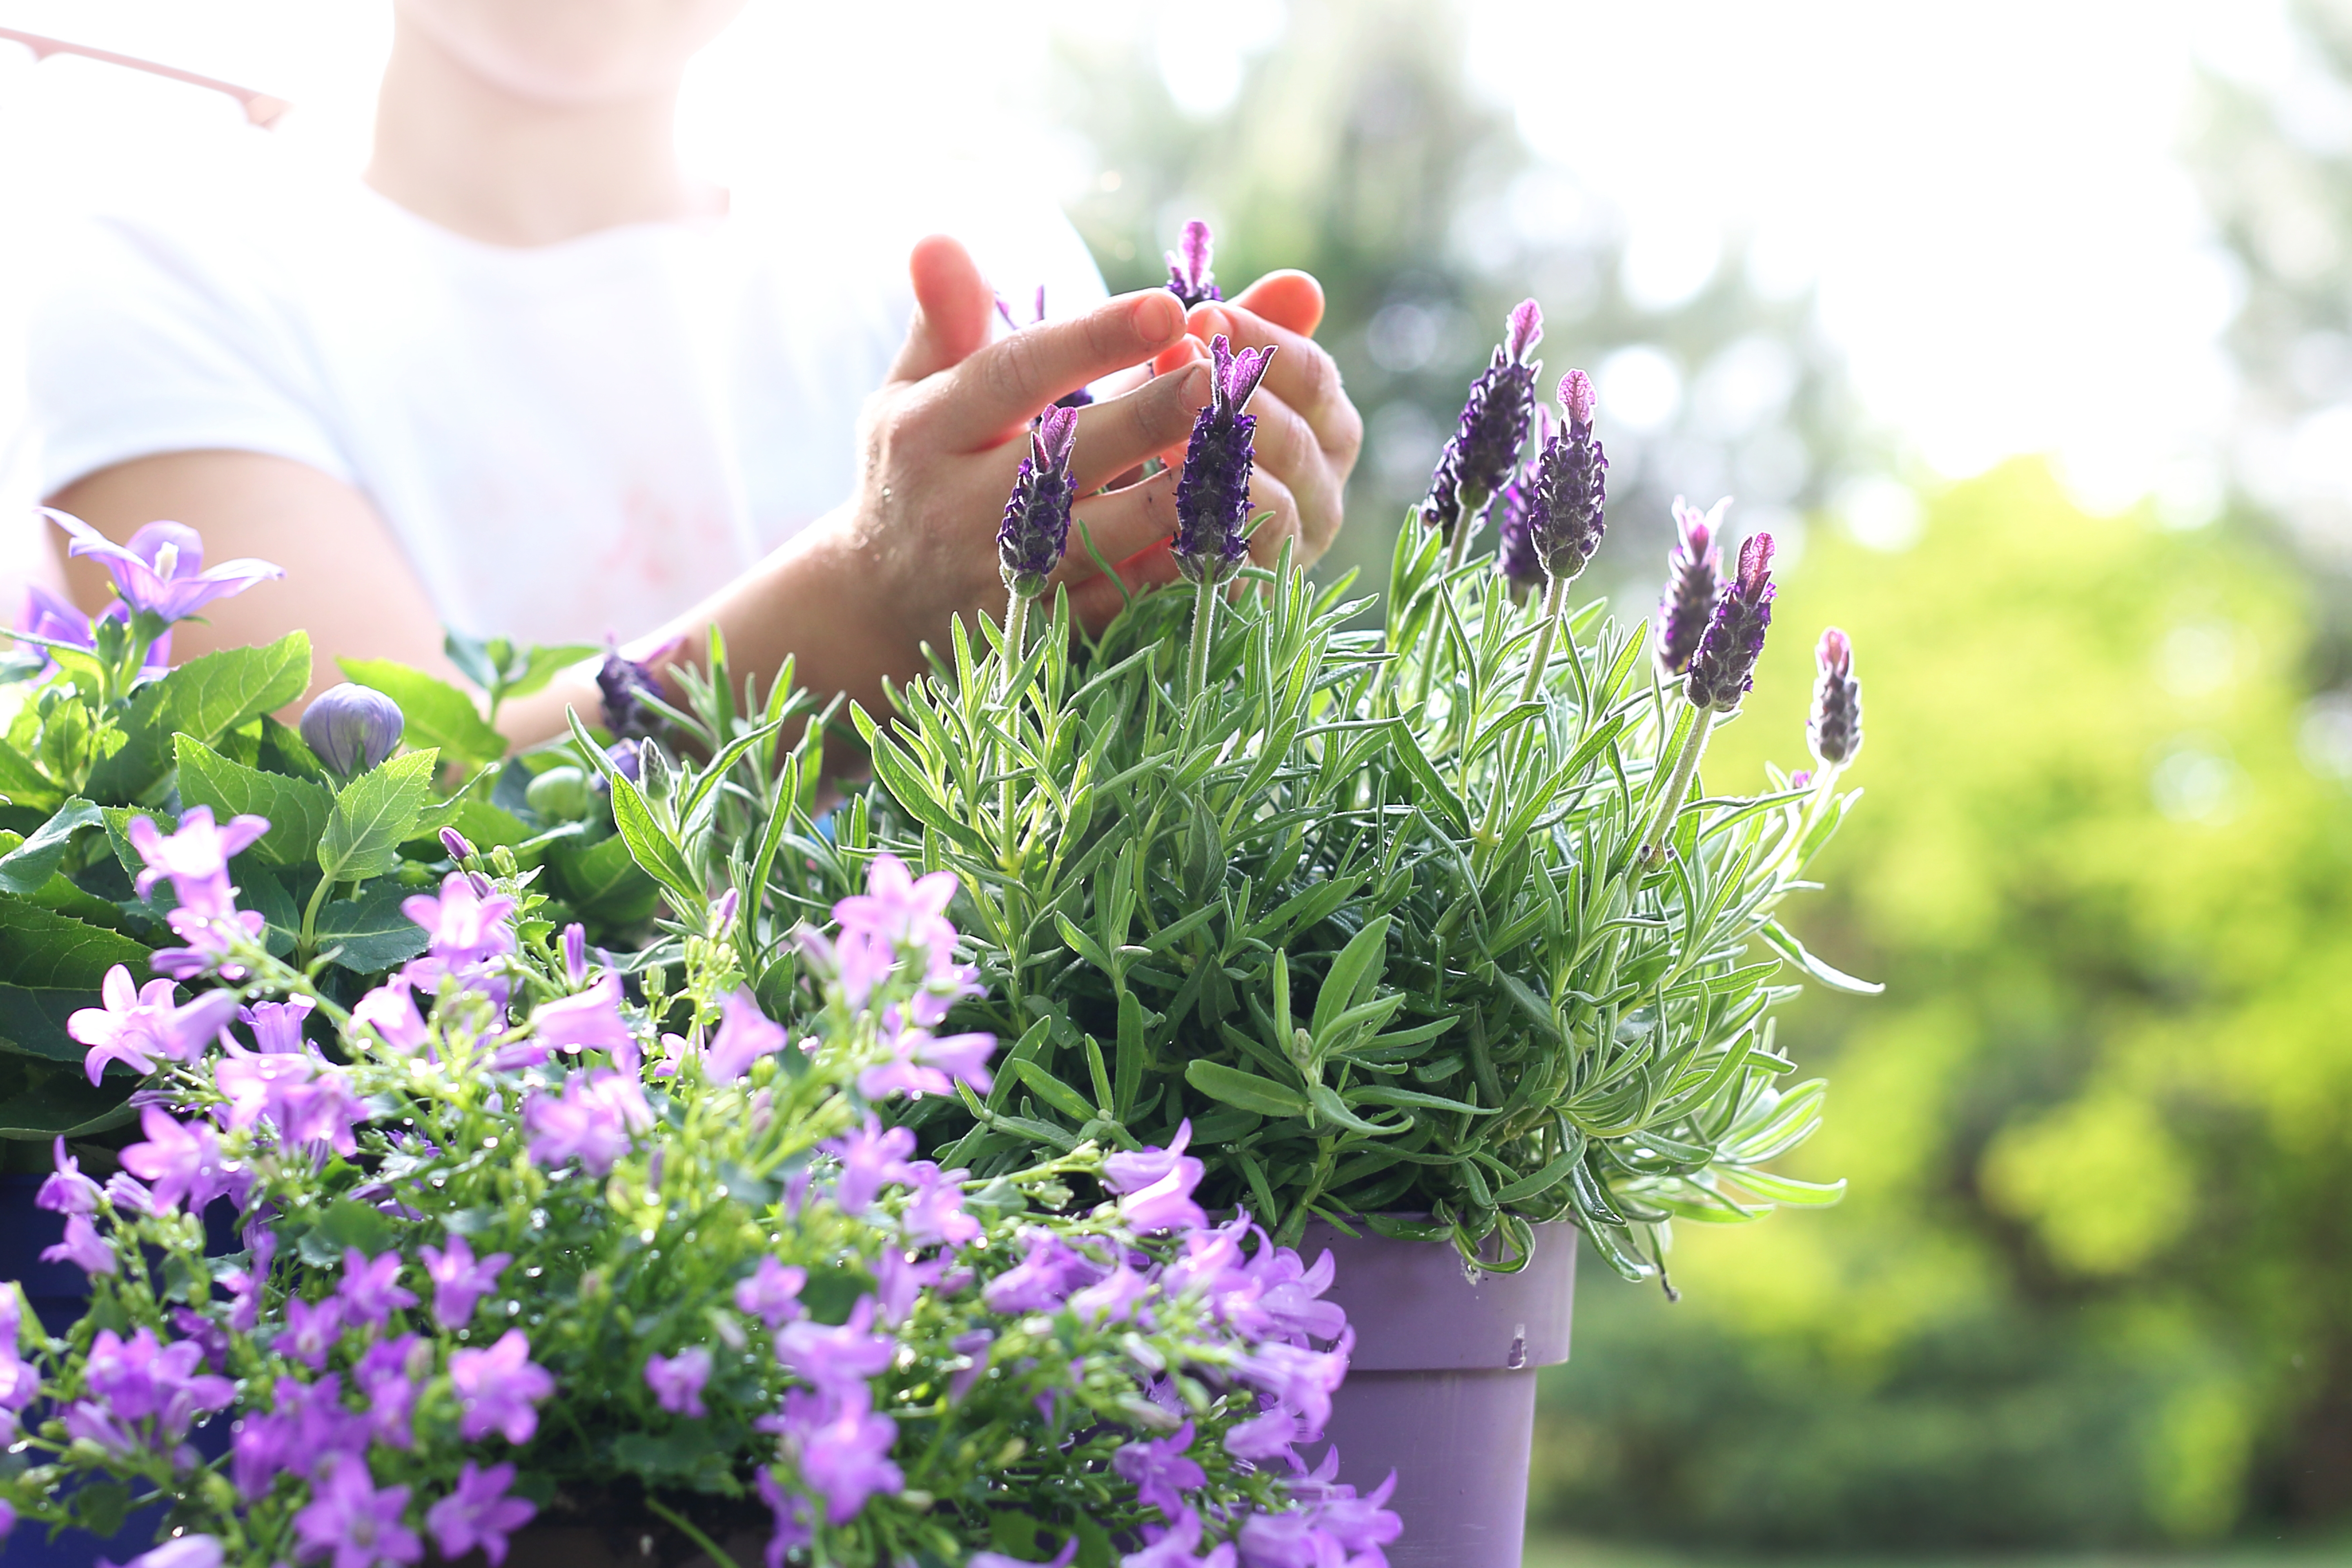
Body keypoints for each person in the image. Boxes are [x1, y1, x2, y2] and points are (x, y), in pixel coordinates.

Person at [26, 0, 1362, 750]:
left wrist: (1192, 591)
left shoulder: (964, 246)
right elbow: (366, 822)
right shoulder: (160, 269)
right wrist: (869, 613)